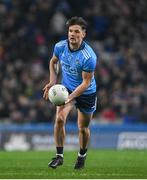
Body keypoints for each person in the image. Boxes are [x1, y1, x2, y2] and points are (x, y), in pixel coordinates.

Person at [43, 16, 98, 169]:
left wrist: (71, 97)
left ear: (83, 34)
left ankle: (82, 155)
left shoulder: (89, 56)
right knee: (59, 119)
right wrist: (53, 81)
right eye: (70, 31)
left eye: (76, 31)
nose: (72, 34)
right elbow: (53, 61)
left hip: (86, 93)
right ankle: (59, 156)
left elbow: (86, 83)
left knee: (83, 128)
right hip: (66, 88)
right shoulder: (60, 47)